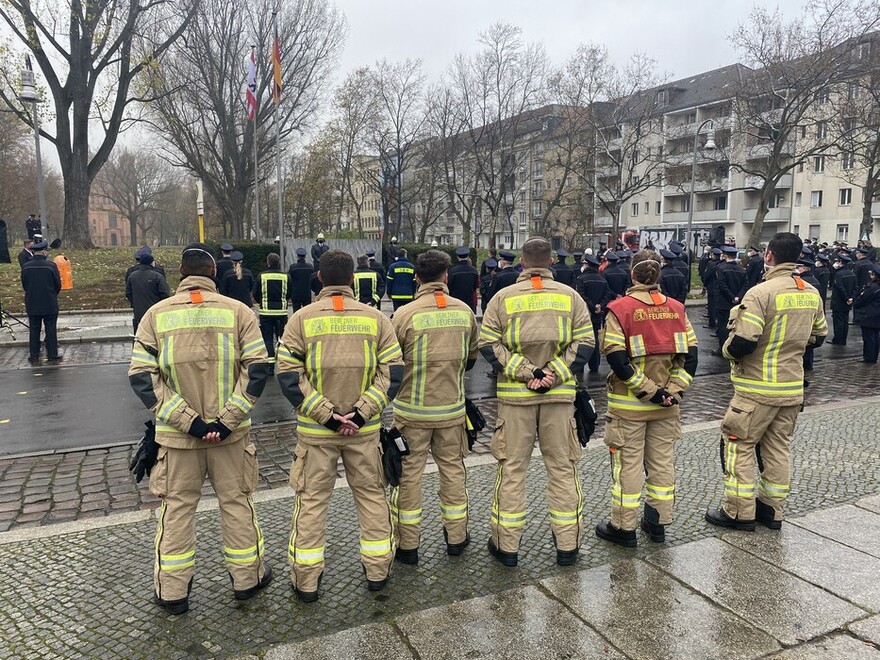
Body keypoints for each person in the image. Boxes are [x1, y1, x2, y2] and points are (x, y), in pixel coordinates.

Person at [128, 243, 272, 615]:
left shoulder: (155, 317)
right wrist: (225, 422)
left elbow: (143, 377)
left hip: (177, 441)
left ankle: (172, 592)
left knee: (176, 510)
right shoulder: (238, 313)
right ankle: (247, 580)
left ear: (179, 273)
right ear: (213, 275)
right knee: (237, 504)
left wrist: (188, 421)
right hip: (231, 438)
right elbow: (256, 371)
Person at [275, 249, 404, 602]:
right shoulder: (377, 319)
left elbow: (288, 375)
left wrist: (327, 415)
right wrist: (360, 414)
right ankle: (378, 573)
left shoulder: (301, 319)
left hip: (317, 435)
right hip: (364, 432)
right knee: (373, 498)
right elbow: (392, 375)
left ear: (319, 278)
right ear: (352, 280)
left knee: (312, 503)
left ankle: (306, 582)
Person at [479, 237, 594, 567]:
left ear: (521, 262)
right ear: (551, 263)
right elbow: (585, 342)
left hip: (516, 402)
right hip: (558, 400)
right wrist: (552, 374)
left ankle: (507, 546)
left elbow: (489, 344)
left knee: (512, 471)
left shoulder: (503, 298)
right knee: (562, 470)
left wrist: (525, 372)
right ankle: (568, 546)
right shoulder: (570, 298)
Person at [706, 232, 827, 532]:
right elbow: (820, 336)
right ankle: (772, 511)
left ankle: (738, 512)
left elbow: (744, 342)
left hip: (756, 390)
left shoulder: (760, 293)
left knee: (738, 445)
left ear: (769, 256)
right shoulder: (811, 292)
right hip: (791, 389)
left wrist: (726, 351)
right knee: (777, 449)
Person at [596, 251, 698, 547]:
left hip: (630, 406)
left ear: (632, 275)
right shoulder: (677, 309)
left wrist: (648, 391)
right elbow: (690, 358)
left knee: (627, 468)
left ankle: (623, 528)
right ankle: (657, 524)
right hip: (667, 407)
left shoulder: (620, 309)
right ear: (658, 275)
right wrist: (672, 391)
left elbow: (616, 358)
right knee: (662, 465)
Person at [391, 250, 479, 564]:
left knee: (409, 478)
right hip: (452, 412)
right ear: (445, 277)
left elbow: (392, 366)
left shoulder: (403, 315)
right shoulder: (465, 312)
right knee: (453, 473)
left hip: (412, 414)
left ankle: (408, 546)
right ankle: (456, 538)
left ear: (417, 278)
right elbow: (471, 360)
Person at [21, 240, 62, 364]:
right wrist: (52, 294)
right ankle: (52, 355)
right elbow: (57, 285)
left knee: (34, 329)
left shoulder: (26, 266)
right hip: (49, 302)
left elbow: (25, 285)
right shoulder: (51, 266)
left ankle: (34, 355)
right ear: (44, 252)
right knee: (50, 329)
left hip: (32, 302)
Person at [252, 253, 292, 372]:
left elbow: (255, 293)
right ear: (279, 262)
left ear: (268, 263)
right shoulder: (286, 276)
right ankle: (283, 364)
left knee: (268, 339)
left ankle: (270, 367)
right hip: (281, 312)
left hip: (266, 313)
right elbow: (289, 293)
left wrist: (262, 302)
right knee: (281, 338)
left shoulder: (262, 276)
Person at [575, 254, 612, 374]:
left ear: (587, 265)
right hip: (597, 314)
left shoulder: (581, 279)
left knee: (581, 339)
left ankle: (579, 367)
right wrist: (600, 306)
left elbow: (581, 295)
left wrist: (591, 306)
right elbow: (607, 294)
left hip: (584, 314)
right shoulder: (602, 280)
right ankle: (594, 365)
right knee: (595, 339)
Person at [126, 251, 171, 333]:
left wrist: (135, 304)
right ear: (151, 262)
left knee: (140, 334)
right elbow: (165, 294)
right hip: (156, 311)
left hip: (138, 312)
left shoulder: (132, 276)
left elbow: (128, 293)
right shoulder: (157, 276)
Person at [714, 245, 747, 352]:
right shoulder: (741, 270)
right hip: (737, 303)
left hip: (723, 302)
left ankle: (722, 349)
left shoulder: (721, 268)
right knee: (735, 326)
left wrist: (731, 297)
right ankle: (732, 347)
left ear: (725, 255)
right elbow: (745, 285)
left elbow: (722, 285)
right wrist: (738, 297)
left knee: (723, 326)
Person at [796, 259, 821, 372]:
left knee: (803, 342)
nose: (797, 269)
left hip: (802, 313)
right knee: (810, 340)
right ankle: (808, 365)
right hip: (813, 313)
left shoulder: (801, 281)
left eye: (799, 267)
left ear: (804, 268)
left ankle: (804, 365)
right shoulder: (815, 280)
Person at [853, 264, 880, 364]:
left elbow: (861, 300)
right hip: (877, 316)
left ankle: (869, 357)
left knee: (869, 338)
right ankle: (873, 356)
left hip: (869, 316)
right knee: (875, 336)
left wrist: (856, 304)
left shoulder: (873, 287)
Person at [830, 254, 857, 345]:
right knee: (845, 321)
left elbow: (840, 287)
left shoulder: (838, 274)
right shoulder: (852, 273)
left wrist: (846, 298)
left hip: (839, 301)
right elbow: (856, 287)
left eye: (837, 261)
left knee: (838, 322)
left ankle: (838, 340)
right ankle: (843, 339)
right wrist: (851, 298)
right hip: (848, 302)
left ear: (841, 262)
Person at [447, 246, 479, 312]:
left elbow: (449, 286)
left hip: (455, 302)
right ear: (467, 257)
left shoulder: (452, 271)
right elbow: (476, 286)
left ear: (457, 257)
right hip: (469, 302)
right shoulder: (474, 271)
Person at [287, 247, 314, 311]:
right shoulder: (310, 267)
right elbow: (313, 279)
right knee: (307, 313)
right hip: (307, 294)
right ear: (305, 256)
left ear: (297, 256)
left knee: (296, 312)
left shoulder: (293, 267)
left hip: (296, 294)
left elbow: (289, 280)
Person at [702, 248, 722, 330]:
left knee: (711, 306)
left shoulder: (711, 264)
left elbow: (707, 275)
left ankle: (712, 323)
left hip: (711, 287)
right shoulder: (721, 264)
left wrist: (704, 284)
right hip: (718, 288)